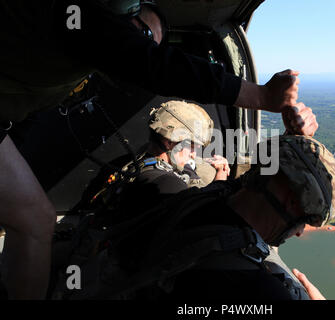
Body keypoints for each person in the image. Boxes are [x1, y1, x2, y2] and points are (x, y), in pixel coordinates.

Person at [0, 0, 313, 299]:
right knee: (36, 221)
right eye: (145, 35)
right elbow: (151, 63)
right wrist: (262, 98)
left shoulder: (142, 167)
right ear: (171, 139)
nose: (196, 156)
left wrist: (286, 144)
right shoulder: (159, 181)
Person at [153, 135, 335, 301]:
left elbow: (260, 179)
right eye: (305, 221)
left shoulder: (203, 198)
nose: (301, 232)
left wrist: (290, 150)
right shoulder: (260, 291)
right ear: (291, 202)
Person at [74, 100, 231, 215]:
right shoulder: (168, 184)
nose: (193, 155)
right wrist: (221, 178)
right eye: (191, 146)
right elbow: (205, 218)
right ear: (169, 142)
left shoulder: (129, 163)